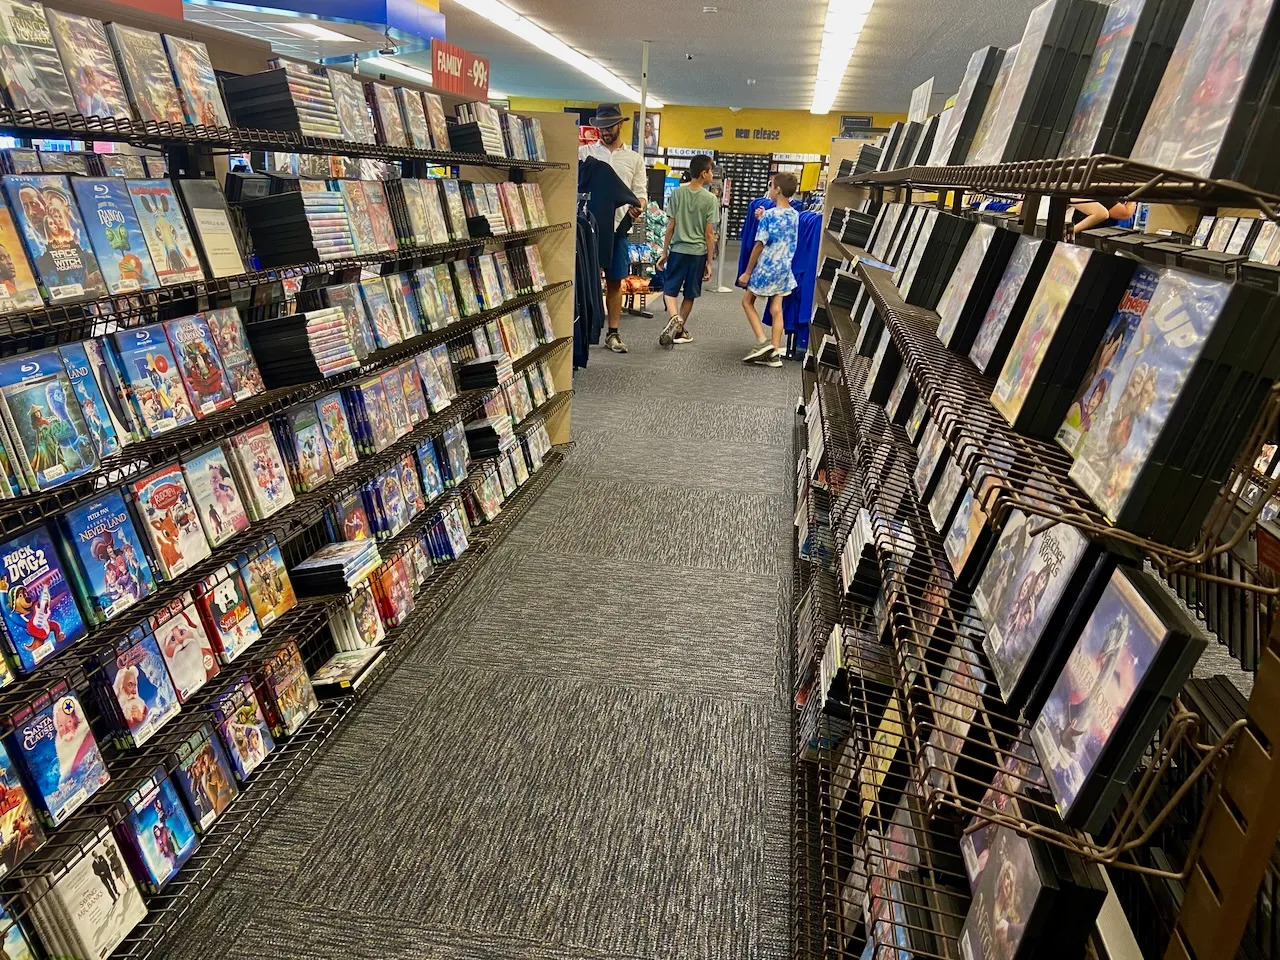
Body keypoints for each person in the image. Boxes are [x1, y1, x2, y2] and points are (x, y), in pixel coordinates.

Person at [578, 103, 646, 354]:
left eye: (609, 127)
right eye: (601, 128)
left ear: (620, 124)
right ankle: (583, 330)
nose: (605, 132)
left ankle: (613, 333)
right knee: (586, 280)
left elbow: (640, 194)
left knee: (615, 280)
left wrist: (638, 207)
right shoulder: (584, 154)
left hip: (618, 228)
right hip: (588, 229)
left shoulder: (634, 159)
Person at [738, 172, 800, 367]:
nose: (770, 190)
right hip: (784, 268)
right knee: (776, 309)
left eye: (771, 186)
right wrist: (763, 216)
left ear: (778, 189)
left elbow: (759, 245)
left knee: (747, 301)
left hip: (766, 268)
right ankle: (774, 352)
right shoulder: (795, 215)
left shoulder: (770, 216)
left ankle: (762, 341)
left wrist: (747, 271)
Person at [657, 155, 718, 347]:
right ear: (703, 173)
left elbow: (670, 227)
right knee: (690, 294)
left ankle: (675, 320)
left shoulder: (677, 194)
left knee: (670, 290)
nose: (713, 175)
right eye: (711, 171)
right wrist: (709, 262)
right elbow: (709, 234)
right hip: (698, 254)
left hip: (678, 250)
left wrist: (664, 251)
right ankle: (679, 326)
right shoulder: (710, 199)